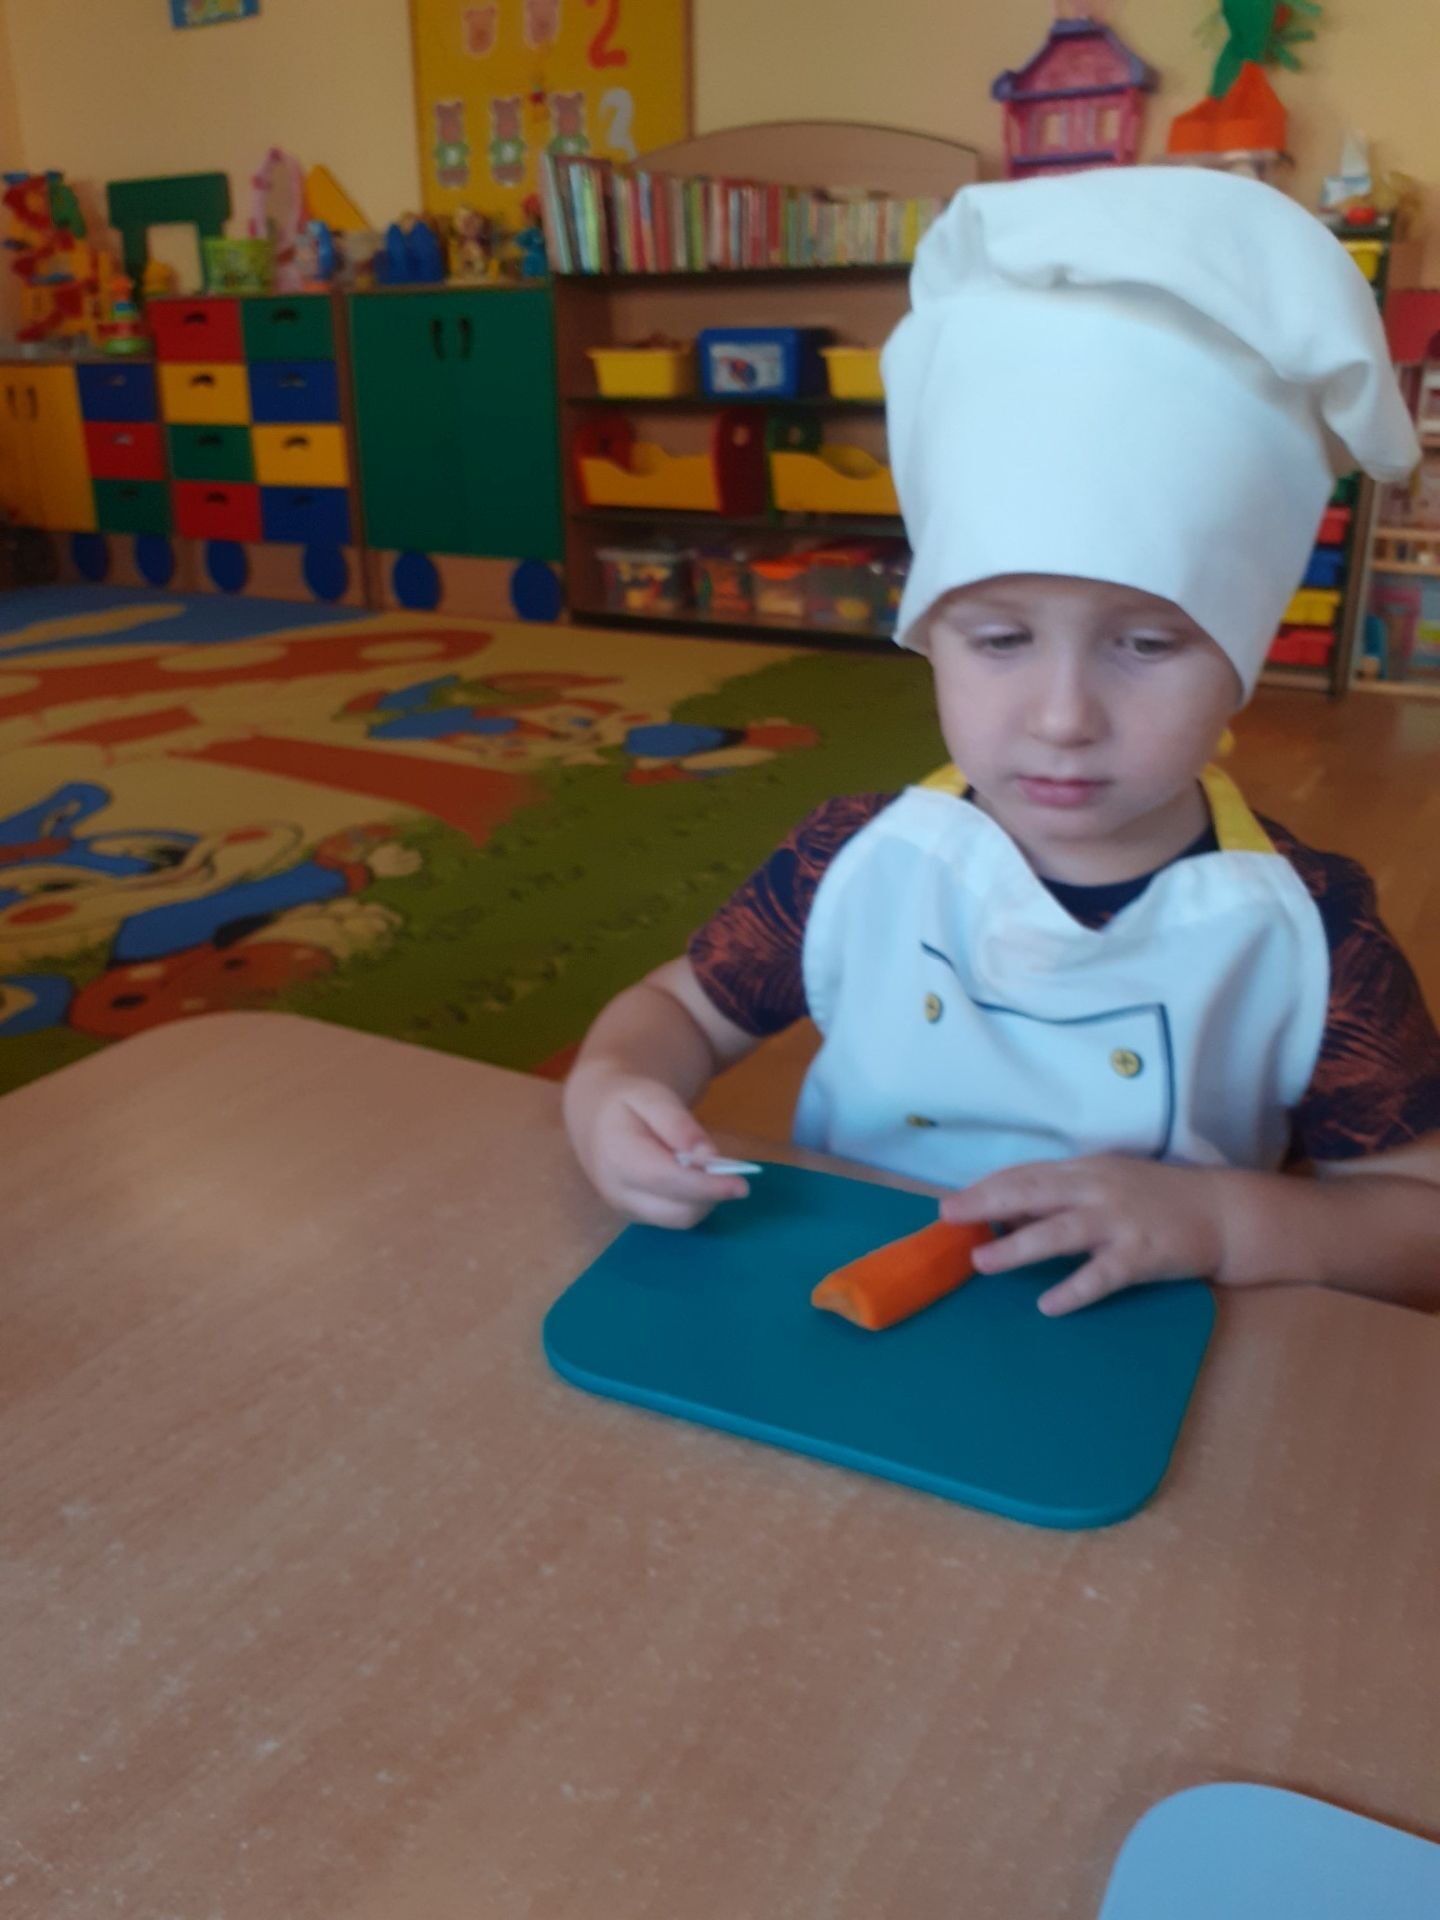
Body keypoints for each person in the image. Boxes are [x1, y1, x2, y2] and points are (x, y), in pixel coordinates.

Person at [564, 167, 1440, 1317]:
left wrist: (1223, 1220)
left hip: (1147, 1368)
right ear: (928, 638)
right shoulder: (852, 864)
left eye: (1146, 644)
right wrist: (611, 1085)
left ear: (1244, 656)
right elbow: (680, 1010)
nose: (1062, 715)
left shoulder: (1312, 940)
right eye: (1001, 639)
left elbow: (1419, 1222)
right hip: (842, 1326)